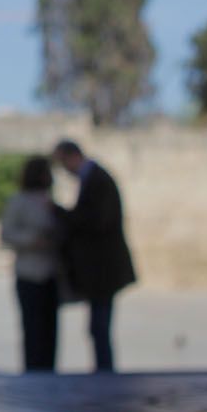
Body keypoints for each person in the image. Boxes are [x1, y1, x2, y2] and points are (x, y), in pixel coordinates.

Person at [51, 139, 135, 373]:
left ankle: (105, 375)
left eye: (62, 163)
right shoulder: (92, 179)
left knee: (100, 326)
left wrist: (60, 214)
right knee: (98, 327)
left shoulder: (97, 180)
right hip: (100, 269)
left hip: (103, 268)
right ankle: (103, 372)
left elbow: (96, 221)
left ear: (72, 156)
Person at [0, 155, 61, 372]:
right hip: (28, 274)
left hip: (50, 275)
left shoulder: (49, 201)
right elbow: (6, 234)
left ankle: (49, 374)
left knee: (50, 331)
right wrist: (32, 241)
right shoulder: (18, 201)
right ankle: (33, 374)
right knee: (32, 330)